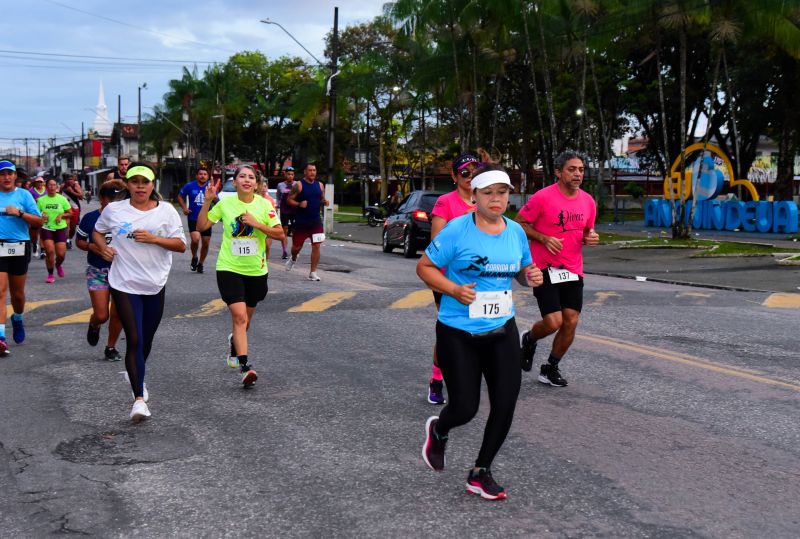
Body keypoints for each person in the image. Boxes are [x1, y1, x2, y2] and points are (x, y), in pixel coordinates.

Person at [417, 165, 543, 501]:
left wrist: (528, 276)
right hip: (458, 331)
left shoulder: (515, 232)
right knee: (465, 408)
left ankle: (480, 471)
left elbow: (520, 269)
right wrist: (454, 290)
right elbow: (424, 268)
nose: (497, 199)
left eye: (502, 192)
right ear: (474, 197)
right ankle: (439, 429)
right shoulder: (457, 231)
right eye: (488, 193)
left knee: (505, 404)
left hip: (502, 328)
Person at [93, 163, 186, 422]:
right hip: (124, 283)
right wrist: (103, 249)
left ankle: (138, 375)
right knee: (134, 339)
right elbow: (97, 232)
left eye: (145, 182)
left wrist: (154, 239)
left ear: (153, 184)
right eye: (135, 182)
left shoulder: (167, 211)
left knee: (145, 341)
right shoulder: (114, 210)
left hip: (155, 283)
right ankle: (139, 400)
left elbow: (180, 246)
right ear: (128, 184)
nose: (140, 186)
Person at [515, 150, 599, 387]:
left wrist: (590, 238)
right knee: (553, 322)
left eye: (581, 170)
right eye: (572, 169)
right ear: (558, 172)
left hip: (572, 268)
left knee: (570, 321)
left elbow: (587, 232)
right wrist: (543, 238)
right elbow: (519, 223)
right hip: (543, 266)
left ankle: (550, 367)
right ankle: (529, 339)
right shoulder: (543, 197)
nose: (577, 174)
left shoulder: (588, 201)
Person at [196, 165, 284, 387]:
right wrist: (208, 201)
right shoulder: (225, 203)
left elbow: (280, 234)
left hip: (256, 270)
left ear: (256, 183)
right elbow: (202, 225)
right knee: (239, 317)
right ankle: (245, 367)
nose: (246, 180)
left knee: (246, 320)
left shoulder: (265, 205)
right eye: (242, 177)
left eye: (251, 177)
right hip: (229, 268)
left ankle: (234, 343)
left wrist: (256, 224)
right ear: (235, 182)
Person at [424, 153, 482, 405]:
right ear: (454, 177)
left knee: (477, 330)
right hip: (448, 279)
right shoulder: (446, 202)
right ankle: (437, 379)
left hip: (481, 277)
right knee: (450, 332)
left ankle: (468, 375)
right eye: (465, 173)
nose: (470, 177)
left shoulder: (486, 200)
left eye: (474, 171)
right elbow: (436, 242)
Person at [75, 180, 125, 361]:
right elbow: (78, 242)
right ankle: (94, 324)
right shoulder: (90, 218)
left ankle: (111, 347)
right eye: (111, 199)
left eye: (118, 199)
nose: (114, 203)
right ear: (102, 198)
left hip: (122, 272)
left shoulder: (127, 218)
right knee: (102, 315)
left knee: (118, 312)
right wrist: (92, 247)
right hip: (98, 271)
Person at [0, 160, 44, 355]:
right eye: (2, 174)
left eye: (9, 173)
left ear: (15, 176)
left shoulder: (24, 195)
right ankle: (1, 338)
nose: (6, 177)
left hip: (19, 245)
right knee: (0, 291)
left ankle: (17, 318)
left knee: (17, 294)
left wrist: (18, 213)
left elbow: (39, 221)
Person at [285, 163, 329, 281]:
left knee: (317, 246)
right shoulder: (299, 185)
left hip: (315, 222)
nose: (312, 172)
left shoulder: (320, 185)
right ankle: (293, 258)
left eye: (314, 170)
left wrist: (324, 201)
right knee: (296, 248)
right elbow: (289, 200)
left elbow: (321, 198)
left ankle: (313, 272)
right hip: (301, 222)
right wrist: (299, 204)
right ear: (305, 172)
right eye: (310, 170)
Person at [178, 167, 214, 274]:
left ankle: (201, 264)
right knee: (195, 240)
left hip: (207, 219)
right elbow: (180, 196)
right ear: (197, 176)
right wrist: (184, 208)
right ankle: (194, 257)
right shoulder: (190, 186)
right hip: (193, 217)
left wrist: (213, 193)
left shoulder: (210, 187)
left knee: (206, 243)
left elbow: (217, 200)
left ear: (207, 176)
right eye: (200, 174)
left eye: (205, 174)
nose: (202, 176)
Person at [36, 178, 72, 283]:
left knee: (61, 254)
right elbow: (35, 213)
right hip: (46, 228)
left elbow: (70, 213)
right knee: (50, 251)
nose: (52, 187)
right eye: (50, 185)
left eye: (54, 185)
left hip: (60, 228)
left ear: (57, 187)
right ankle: (50, 274)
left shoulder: (62, 199)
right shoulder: (41, 200)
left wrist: (62, 215)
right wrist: (41, 215)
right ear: (46, 187)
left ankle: (58, 265)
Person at [275, 167, 295, 260]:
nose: (290, 176)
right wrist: (277, 206)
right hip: (284, 210)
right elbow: (278, 197)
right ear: (285, 174)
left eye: (292, 174)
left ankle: (295, 251)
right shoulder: (280, 185)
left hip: (294, 209)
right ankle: (284, 251)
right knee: (285, 230)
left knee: (295, 231)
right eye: (288, 174)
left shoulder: (296, 184)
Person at [62, 174, 84, 250]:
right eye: (69, 179)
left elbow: (81, 197)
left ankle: (69, 238)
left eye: (72, 179)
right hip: (64, 208)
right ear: (66, 180)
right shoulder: (62, 186)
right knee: (66, 225)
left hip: (75, 207)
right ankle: (67, 240)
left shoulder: (76, 186)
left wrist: (72, 192)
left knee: (73, 227)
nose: (70, 181)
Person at [28, 174, 47, 258]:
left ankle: (43, 251)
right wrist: (35, 201)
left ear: (43, 183)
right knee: (34, 234)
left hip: (44, 214)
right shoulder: (31, 191)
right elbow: (28, 202)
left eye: (41, 182)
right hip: (34, 214)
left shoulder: (46, 191)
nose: (39, 184)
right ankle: (35, 244)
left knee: (43, 231)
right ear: (35, 183)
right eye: (38, 182)